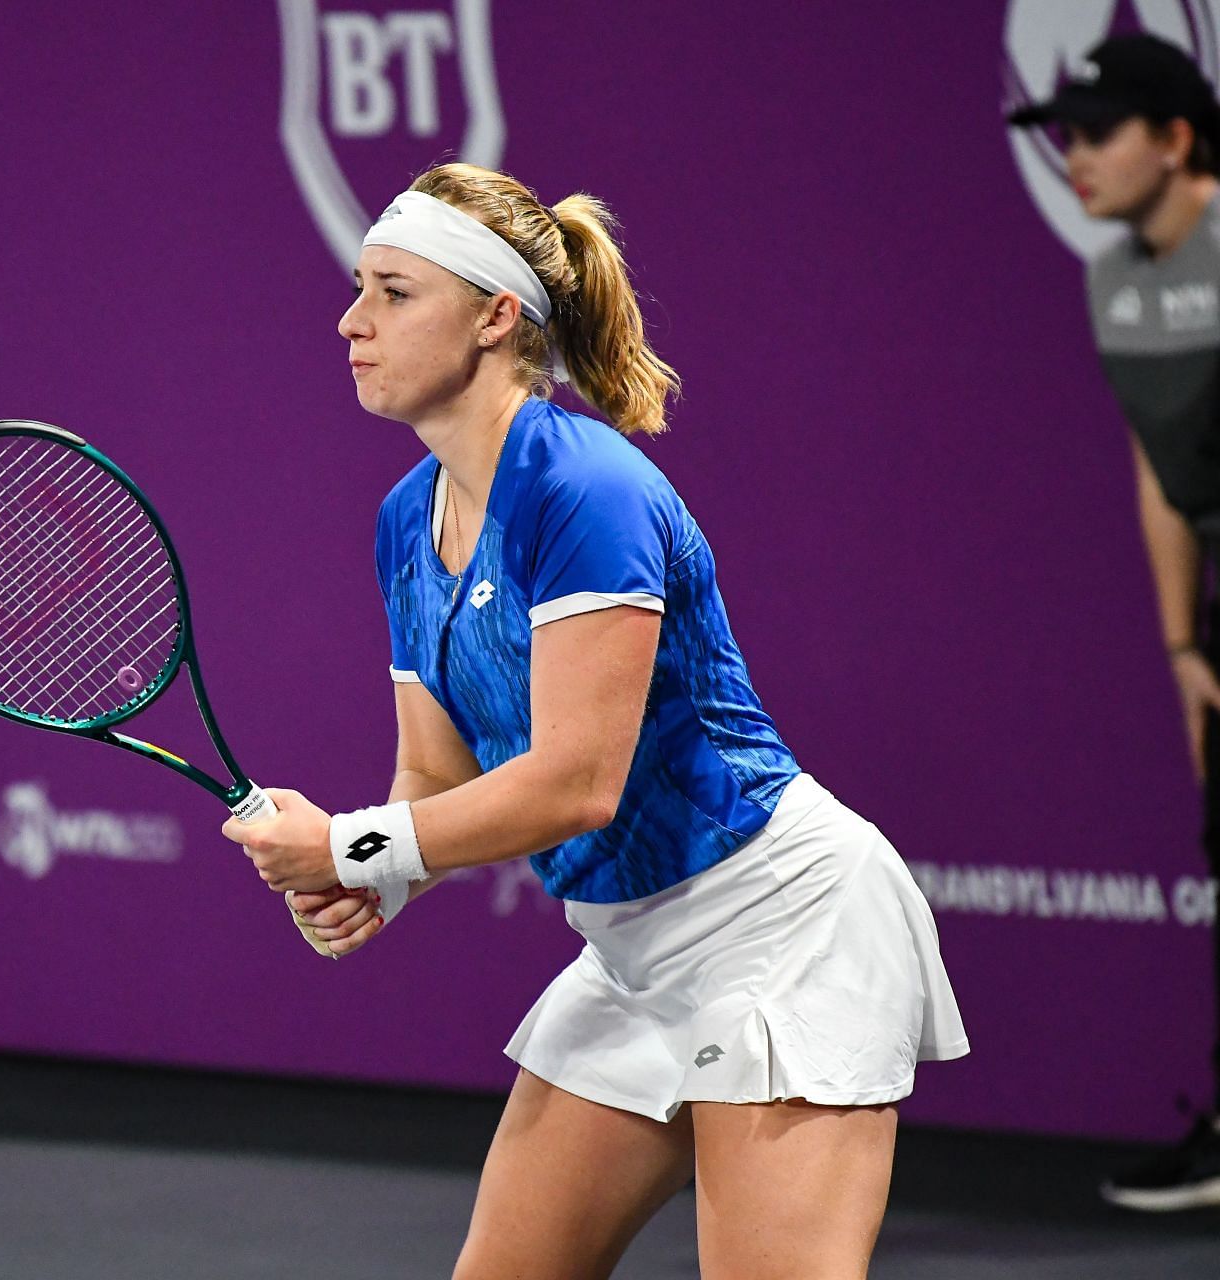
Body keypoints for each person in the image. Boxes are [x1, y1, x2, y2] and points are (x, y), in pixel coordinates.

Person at [220, 162, 968, 1278]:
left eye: (391, 291)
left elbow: (576, 783)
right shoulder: (403, 520)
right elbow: (433, 771)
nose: (351, 320)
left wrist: (342, 842)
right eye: (358, 288)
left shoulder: (587, 489)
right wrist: (373, 869)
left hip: (784, 927)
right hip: (629, 952)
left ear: (494, 315)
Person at [1009, 33, 1220, 1214]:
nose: (1072, 155)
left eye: (1097, 132)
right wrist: (1186, 646)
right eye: (1064, 134)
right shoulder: (1114, 279)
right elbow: (1162, 470)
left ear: (1177, 137)